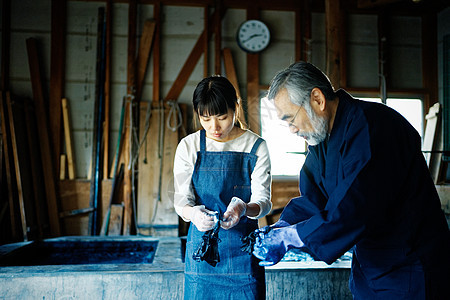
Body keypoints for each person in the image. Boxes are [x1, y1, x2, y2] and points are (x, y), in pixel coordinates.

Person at [252, 61, 450, 299]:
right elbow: (314, 197)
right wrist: (282, 226)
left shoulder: (374, 126)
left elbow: (355, 206)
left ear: (317, 99)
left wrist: (294, 236)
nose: (292, 129)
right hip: (369, 266)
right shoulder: (322, 137)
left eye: (290, 119)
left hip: (409, 265)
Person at [173, 75, 272, 299]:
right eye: (205, 119)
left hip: (243, 251)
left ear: (235, 108)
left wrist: (243, 208)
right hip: (202, 250)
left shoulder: (256, 147)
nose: (214, 127)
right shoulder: (188, 146)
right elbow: (182, 200)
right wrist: (193, 214)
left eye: (222, 117)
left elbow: (264, 203)